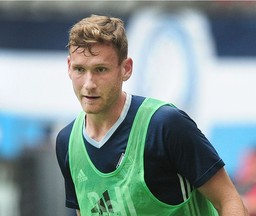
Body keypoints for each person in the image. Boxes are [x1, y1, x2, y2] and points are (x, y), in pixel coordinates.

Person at [56, 14, 248, 216]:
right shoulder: (67, 142)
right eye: (80, 69)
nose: (88, 84)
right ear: (69, 67)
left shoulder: (166, 125)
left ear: (126, 68)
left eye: (100, 69)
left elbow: (229, 200)